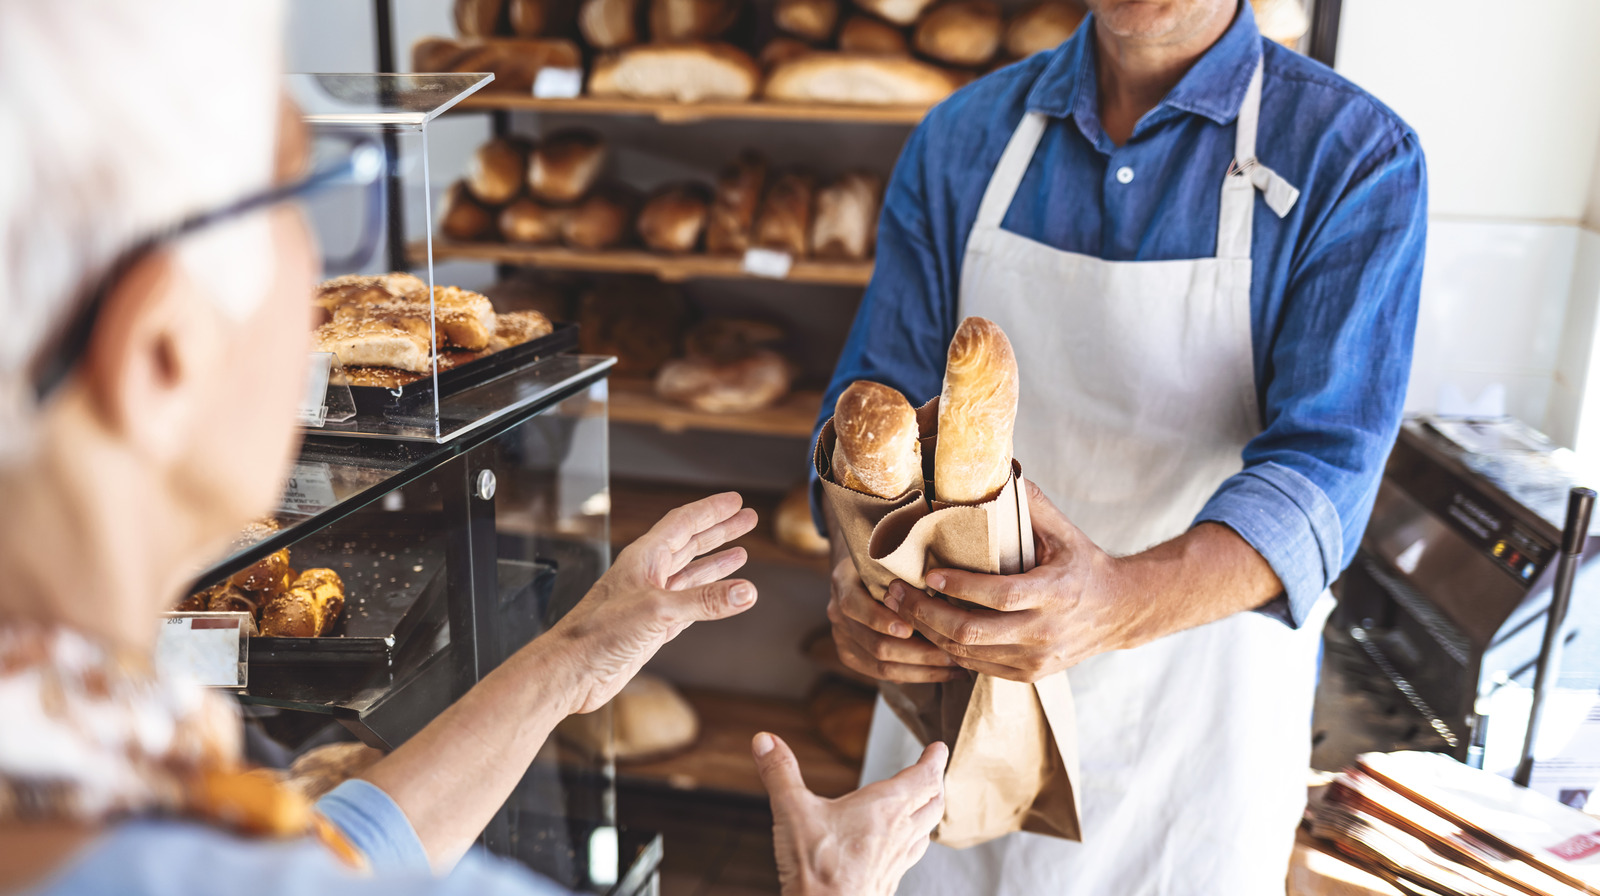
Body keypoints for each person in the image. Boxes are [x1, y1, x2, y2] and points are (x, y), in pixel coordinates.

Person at [0, 3, 948, 895]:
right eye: (299, 192)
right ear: (163, 350)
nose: (325, 284)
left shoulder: (68, 761)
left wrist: (576, 651)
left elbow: (345, 861)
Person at [817, 0, 1427, 892]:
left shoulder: (1354, 158)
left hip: (1194, 738)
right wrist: (855, 574)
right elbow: (871, 415)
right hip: (956, 723)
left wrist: (1115, 604)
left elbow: (1325, 472)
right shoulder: (962, 137)